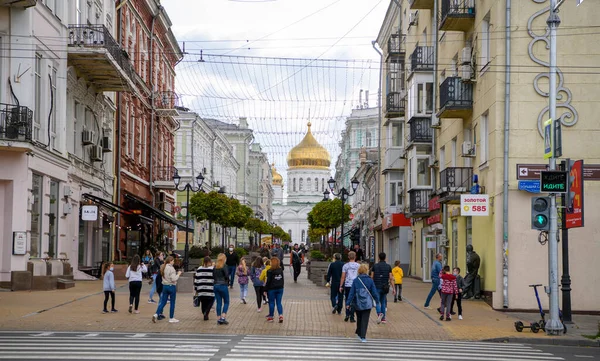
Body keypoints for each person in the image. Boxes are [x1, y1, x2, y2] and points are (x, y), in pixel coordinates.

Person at [346, 263, 380, 343]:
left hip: (358, 302)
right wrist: (377, 301)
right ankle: (363, 336)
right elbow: (374, 292)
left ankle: (359, 332)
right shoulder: (370, 280)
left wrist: (348, 303)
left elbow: (352, 293)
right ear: (367, 271)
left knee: (359, 318)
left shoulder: (356, 280)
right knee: (365, 319)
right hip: (367, 303)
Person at [152, 255, 182, 323]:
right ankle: (171, 317)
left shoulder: (163, 267)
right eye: (173, 261)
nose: (173, 262)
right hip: (171, 286)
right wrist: (178, 274)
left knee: (163, 302)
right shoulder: (171, 269)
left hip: (164, 286)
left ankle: (156, 314)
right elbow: (173, 278)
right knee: (172, 302)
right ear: (170, 261)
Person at [370, 252, 394, 324]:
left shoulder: (375, 266)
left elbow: (372, 276)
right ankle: (383, 319)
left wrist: (370, 286)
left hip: (376, 286)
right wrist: (394, 288)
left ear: (378, 258)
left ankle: (379, 314)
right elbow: (391, 278)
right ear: (385, 258)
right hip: (385, 287)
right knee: (383, 302)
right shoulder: (388, 266)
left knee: (377, 302)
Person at [339, 251, 360, 323]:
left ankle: (347, 314)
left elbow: (343, 277)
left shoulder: (345, 266)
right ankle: (352, 316)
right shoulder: (358, 266)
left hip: (348, 285)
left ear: (348, 257)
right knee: (354, 300)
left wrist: (341, 285)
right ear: (355, 257)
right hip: (356, 285)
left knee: (347, 299)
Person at [194, 256, 215, 321]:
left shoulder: (199, 269)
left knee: (203, 303)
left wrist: (196, 288)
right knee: (210, 301)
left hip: (201, 289)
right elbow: (214, 278)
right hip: (210, 289)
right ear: (210, 262)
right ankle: (207, 312)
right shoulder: (212, 269)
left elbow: (196, 279)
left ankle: (204, 313)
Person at [265, 257, 285, 323]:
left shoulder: (270, 271)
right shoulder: (280, 270)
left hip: (272, 289)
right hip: (280, 288)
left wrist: (265, 289)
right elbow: (282, 279)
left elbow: (268, 281)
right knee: (279, 302)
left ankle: (271, 317)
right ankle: (281, 315)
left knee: (271, 303)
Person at [213, 253, 231, 325]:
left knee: (219, 302)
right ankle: (223, 317)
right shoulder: (224, 266)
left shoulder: (215, 267)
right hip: (223, 285)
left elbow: (213, 276)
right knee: (226, 301)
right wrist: (228, 283)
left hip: (216, 285)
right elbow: (227, 275)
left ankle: (218, 318)